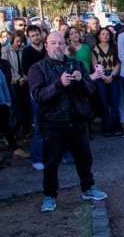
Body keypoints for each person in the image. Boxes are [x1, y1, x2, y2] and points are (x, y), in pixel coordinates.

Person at [28, 31, 107, 213]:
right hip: (53, 124)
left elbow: (90, 89)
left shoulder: (75, 64)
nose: (58, 46)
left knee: (84, 159)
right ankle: (49, 196)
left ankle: (88, 188)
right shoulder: (37, 68)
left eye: (61, 43)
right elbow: (38, 95)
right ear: (46, 45)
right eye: (53, 43)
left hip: (77, 122)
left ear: (66, 45)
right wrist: (58, 84)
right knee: (51, 163)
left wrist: (80, 81)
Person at [0, 39, 27, 161]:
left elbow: (5, 86)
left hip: (1, 102)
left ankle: (15, 149)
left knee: (5, 126)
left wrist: (7, 100)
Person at [22, 25, 47, 170]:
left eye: (37, 34)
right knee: (39, 124)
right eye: (33, 35)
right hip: (36, 91)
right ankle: (37, 157)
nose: (36, 37)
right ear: (29, 37)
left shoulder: (46, 49)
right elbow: (27, 70)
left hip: (50, 88)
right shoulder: (27, 52)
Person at [92, 27, 122, 137]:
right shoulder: (95, 49)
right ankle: (106, 128)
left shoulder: (114, 47)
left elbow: (118, 63)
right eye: (103, 34)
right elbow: (94, 65)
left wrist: (112, 76)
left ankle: (116, 127)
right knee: (104, 103)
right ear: (99, 36)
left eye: (107, 34)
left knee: (115, 102)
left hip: (113, 76)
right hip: (100, 77)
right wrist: (104, 76)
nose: (105, 36)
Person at [3, 30, 32, 136]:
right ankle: (13, 131)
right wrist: (18, 78)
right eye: (17, 41)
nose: (19, 43)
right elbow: (8, 68)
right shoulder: (5, 50)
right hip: (13, 82)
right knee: (16, 107)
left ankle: (26, 129)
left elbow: (25, 65)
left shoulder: (23, 49)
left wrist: (24, 78)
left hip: (24, 80)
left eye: (21, 41)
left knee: (26, 106)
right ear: (12, 40)